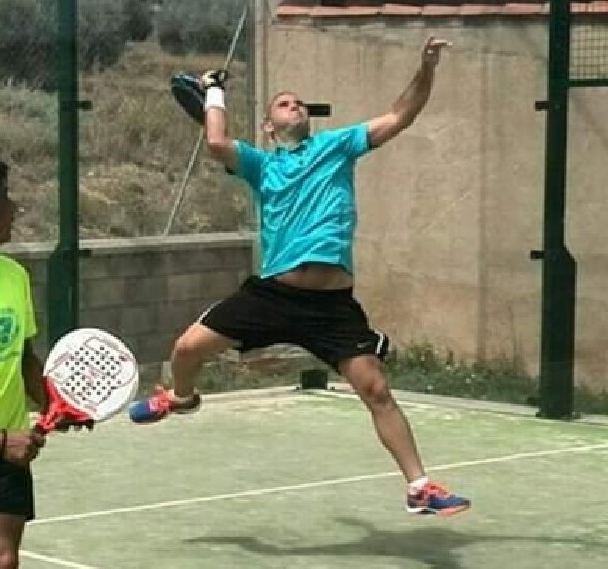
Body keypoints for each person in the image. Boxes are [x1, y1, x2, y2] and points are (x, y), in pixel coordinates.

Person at [131, 37, 470, 516]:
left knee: (376, 390)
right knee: (186, 350)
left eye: (300, 104)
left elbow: (401, 115)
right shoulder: (261, 165)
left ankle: (420, 488)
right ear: (269, 126)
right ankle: (182, 398)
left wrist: (427, 67)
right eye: (285, 104)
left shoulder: (336, 147)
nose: (296, 106)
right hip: (272, 296)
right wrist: (214, 91)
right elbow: (216, 142)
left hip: (331, 307)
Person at [0, 157, 49, 568]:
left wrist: (54, 401)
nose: (15, 208)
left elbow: (24, 355)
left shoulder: (13, 275)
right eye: (5, 198)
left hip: (4, 456)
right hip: (1, 443)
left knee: (1, 559)